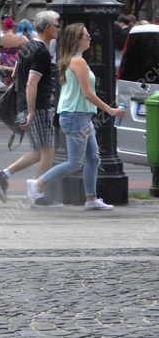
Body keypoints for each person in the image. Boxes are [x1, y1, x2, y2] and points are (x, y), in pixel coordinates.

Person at [27, 23, 126, 210]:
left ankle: (91, 199)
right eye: (86, 36)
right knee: (74, 162)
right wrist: (110, 110)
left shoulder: (75, 60)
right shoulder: (77, 62)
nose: (90, 38)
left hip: (80, 115)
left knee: (93, 158)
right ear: (77, 40)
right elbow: (87, 93)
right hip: (75, 116)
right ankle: (38, 184)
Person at [0, 10, 60, 203]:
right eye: (56, 24)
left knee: (39, 151)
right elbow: (31, 82)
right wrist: (31, 111)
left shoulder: (27, 47)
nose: (58, 28)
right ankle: (36, 192)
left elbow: (16, 76)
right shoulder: (42, 51)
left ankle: (4, 174)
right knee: (48, 152)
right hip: (40, 106)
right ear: (47, 28)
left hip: (25, 103)